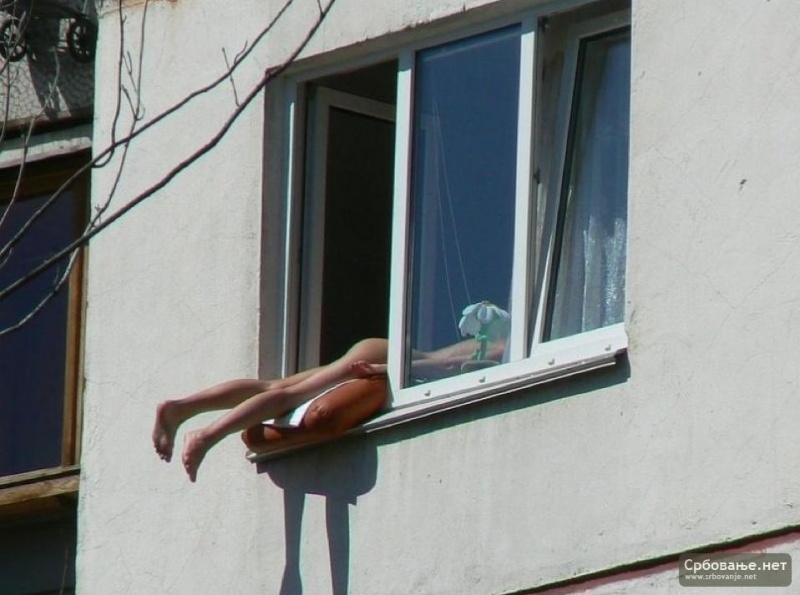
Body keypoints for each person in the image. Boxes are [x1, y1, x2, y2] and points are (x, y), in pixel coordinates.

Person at [153, 336, 506, 482]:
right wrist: (382, 369)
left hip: (382, 351)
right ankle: (207, 435)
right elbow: (442, 366)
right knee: (288, 396)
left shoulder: (495, 338)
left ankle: (181, 409)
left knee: (275, 387)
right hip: (382, 357)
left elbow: (441, 361)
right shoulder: (505, 345)